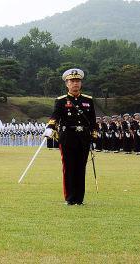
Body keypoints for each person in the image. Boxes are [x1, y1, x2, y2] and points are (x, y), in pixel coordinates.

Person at [43, 68, 96, 206]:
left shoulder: (88, 100)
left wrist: (93, 137)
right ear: (67, 84)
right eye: (72, 81)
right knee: (69, 167)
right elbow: (55, 116)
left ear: (81, 83)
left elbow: (93, 121)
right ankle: (70, 198)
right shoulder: (61, 101)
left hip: (83, 138)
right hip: (68, 137)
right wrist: (50, 127)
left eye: (77, 81)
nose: (75, 84)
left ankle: (79, 198)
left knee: (81, 167)